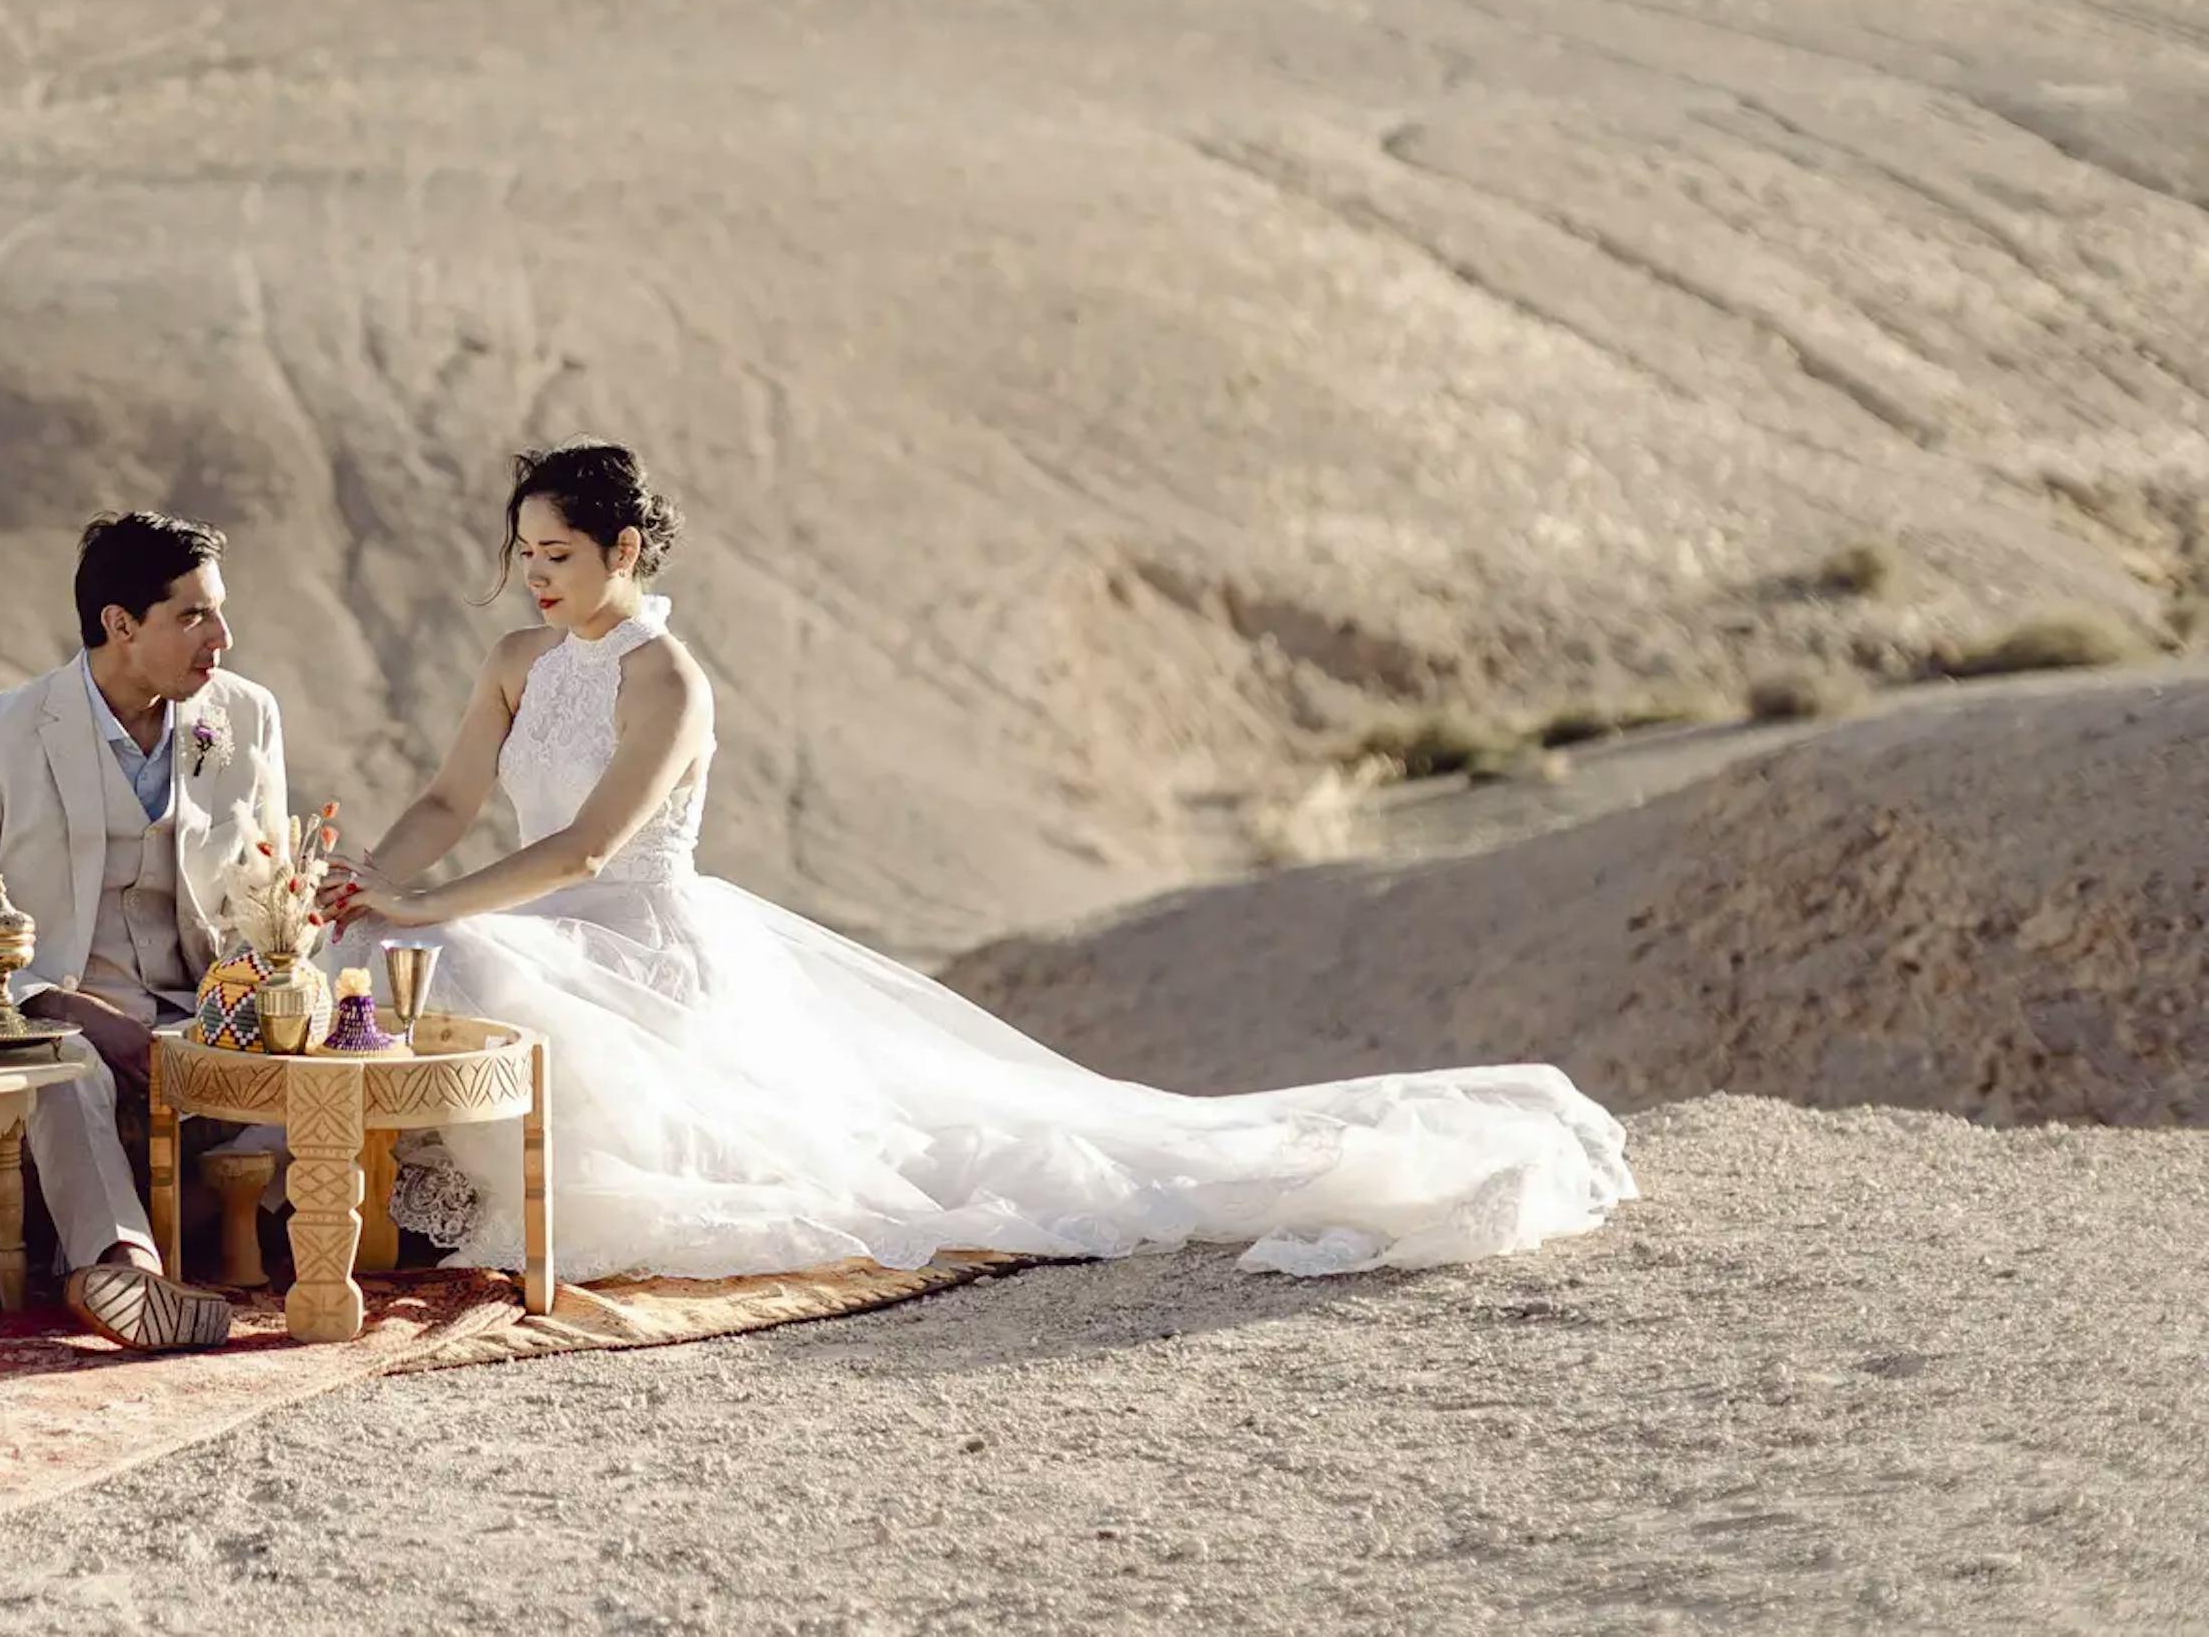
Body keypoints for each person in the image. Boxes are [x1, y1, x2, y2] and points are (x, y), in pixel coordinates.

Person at [331, 441, 1635, 1282]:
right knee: (384, 945)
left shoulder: (667, 677)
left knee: (454, 948)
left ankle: (454, 1213)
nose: (534, 576)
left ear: (624, 552)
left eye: (557, 554)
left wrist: (429, 902)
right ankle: (386, 1206)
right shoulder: (516, 661)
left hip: (632, 930)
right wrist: (372, 880)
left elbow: (589, 842)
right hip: (546, 919)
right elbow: (452, 794)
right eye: (523, 554)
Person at [0, 510, 293, 1350]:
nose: (222, 634)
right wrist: (69, 1008)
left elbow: (277, 901)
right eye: (193, 615)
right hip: (67, 1023)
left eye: (218, 610)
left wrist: (268, 989)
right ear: (120, 624)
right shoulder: (1, 731)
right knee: (64, 1065)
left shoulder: (247, 716)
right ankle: (118, 1272)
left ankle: (291, 1248)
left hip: (209, 1020)